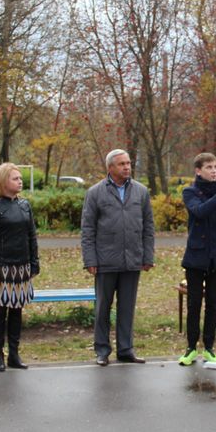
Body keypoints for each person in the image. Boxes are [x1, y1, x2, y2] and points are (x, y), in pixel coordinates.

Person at [81, 149, 155, 366]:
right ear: (110, 168)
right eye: (122, 164)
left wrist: (147, 255)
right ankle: (102, 350)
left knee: (127, 307)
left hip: (132, 259)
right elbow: (87, 230)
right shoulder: (95, 193)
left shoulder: (141, 192)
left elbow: (148, 227)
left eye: (128, 163)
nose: (127, 167)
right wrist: (90, 260)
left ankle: (125, 349)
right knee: (103, 307)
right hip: (105, 261)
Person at [0, 163, 39, 372]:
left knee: (17, 311)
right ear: (4, 181)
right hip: (1, 268)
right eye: (15, 178)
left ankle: (14, 353)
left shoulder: (25, 205)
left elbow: (31, 235)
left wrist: (34, 264)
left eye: (20, 178)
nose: (20, 181)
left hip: (22, 268)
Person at [178, 153, 216, 366]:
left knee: (213, 304)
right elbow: (199, 212)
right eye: (209, 167)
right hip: (196, 256)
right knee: (194, 304)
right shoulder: (190, 191)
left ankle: (209, 347)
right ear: (198, 170)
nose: (214, 171)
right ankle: (191, 347)